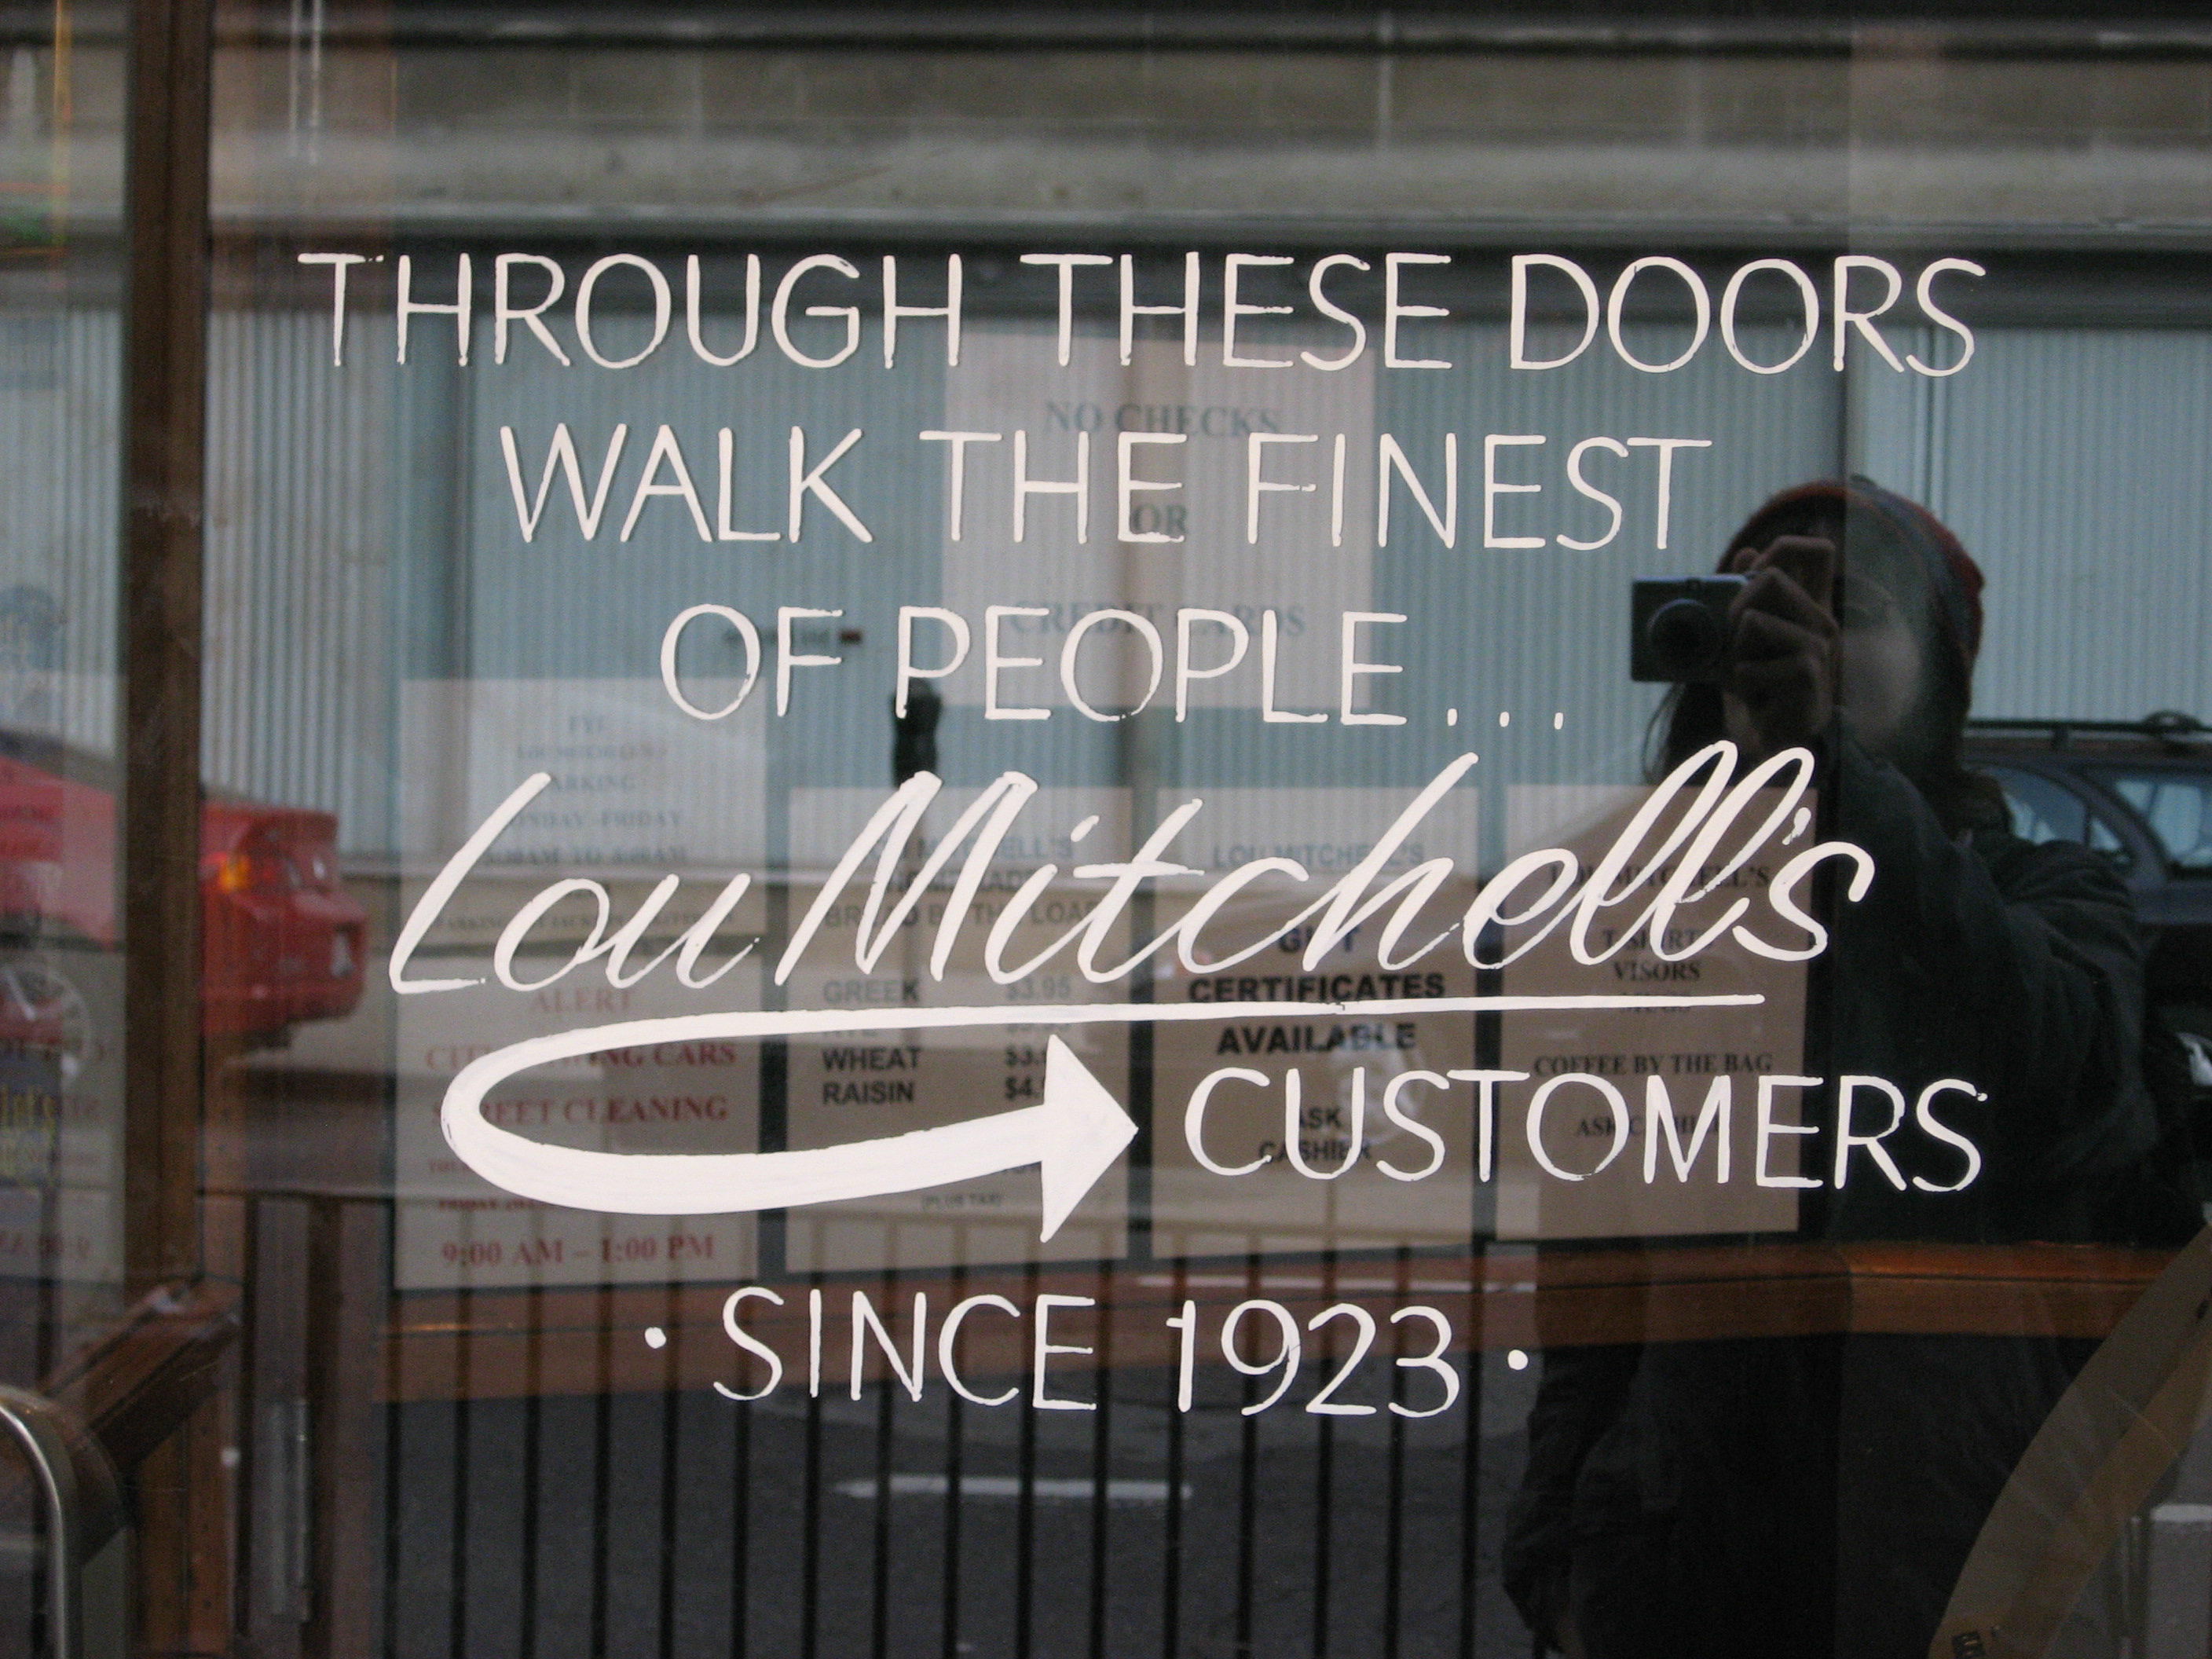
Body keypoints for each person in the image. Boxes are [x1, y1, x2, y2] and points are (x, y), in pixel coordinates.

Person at [1503, 478, 2199, 1659]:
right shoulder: (1658, 923)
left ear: (1942, 674)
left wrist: (1830, 778)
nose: (1801, 632)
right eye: (1756, 600)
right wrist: (1557, 1553)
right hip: (1685, 1560)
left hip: (1962, 1560)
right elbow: (1598, 1272)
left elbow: (2062, 1070)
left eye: (1848, 604)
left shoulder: (2044, 893)